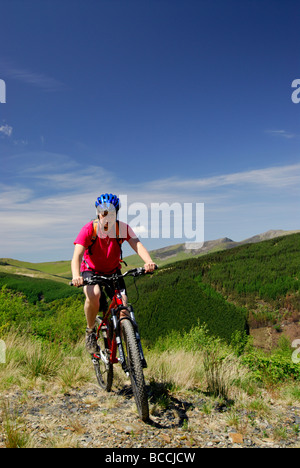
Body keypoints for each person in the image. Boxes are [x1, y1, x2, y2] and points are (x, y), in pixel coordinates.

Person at [71, 193, 157, 353]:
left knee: (123, 308)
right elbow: (77, 256)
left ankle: (132, 355)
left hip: (113, 271)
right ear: (98, 213)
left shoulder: (121, 228)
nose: (107, 216)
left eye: (111, 213)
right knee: (94, 294)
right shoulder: (89, 229)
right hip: (91, 271)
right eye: (103, 213)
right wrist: (76, 276)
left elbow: (137, 244)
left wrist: (148, 262)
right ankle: (90, 332)